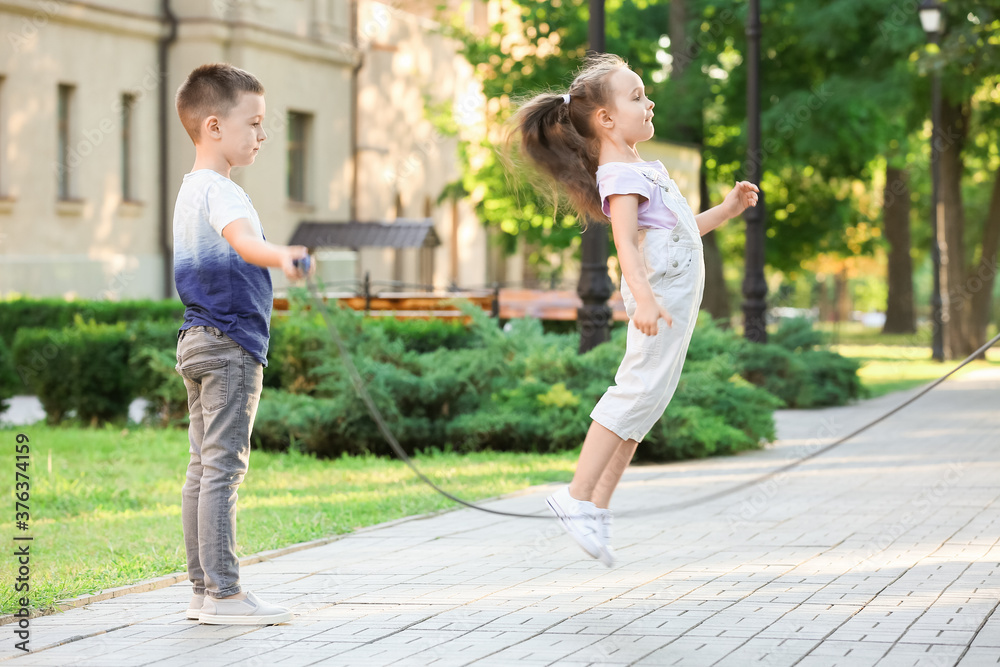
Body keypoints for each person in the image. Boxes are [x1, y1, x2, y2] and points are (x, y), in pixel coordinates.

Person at [509, 54, 759, 567]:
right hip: (659, 299)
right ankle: (577, 496)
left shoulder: (643, 167)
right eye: (638, 96)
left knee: (645, 406)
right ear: (606, 119)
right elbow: (624, 242)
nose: (649, 102)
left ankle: (597, 507)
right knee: (633, 393)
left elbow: (681, 228)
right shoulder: (620, 173)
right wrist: (643, 299)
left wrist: (729, 210)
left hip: (671, 303)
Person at [172, 63, 311, 624]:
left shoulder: (189, 190)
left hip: (196, 337)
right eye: (253, 123)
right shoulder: (221, 191)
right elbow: (245, 243)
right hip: (230, 342)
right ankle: (226, 595)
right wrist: (284, 256)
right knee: (223, 468)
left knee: (202, 468)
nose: (262, 134)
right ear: (212, 127)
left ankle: (203, 591)